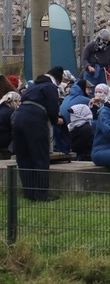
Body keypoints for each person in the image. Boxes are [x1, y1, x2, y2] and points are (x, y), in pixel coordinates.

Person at [11, 67, 63, 201]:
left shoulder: (34, 86)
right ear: (58, 79)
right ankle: (41, 194)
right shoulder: (51, 87)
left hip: (18, 118)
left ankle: (28, 193)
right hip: (35, 120)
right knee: (40, 157)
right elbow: (53, 108)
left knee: (24, 158)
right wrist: (55, 120)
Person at [0, 89, 19, 156]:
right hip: (5, 142)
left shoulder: (2, 109)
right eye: (18, 101)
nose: (19, 103)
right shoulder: (11, 112)